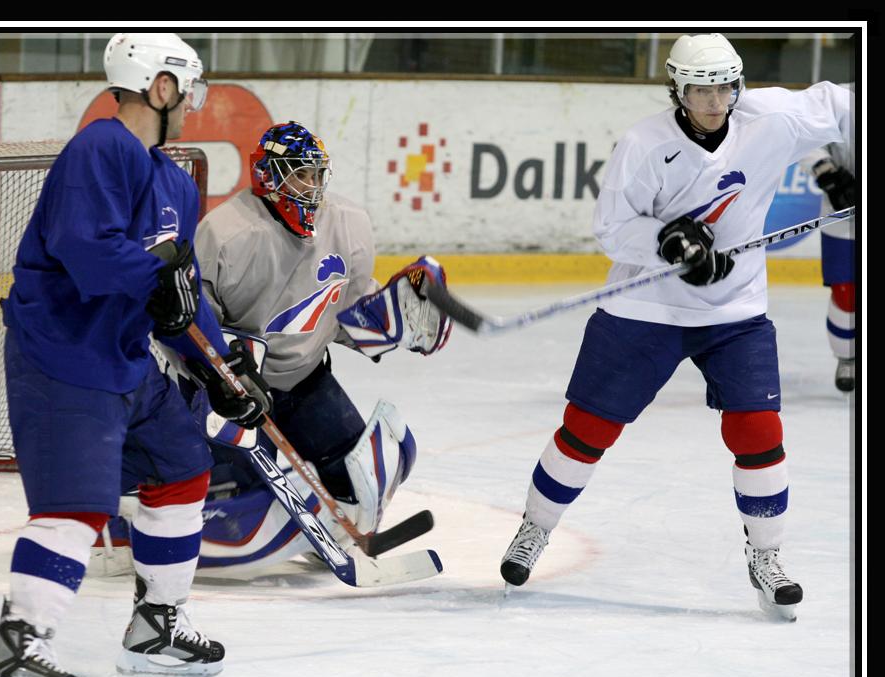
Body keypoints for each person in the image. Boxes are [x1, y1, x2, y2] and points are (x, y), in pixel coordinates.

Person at [499, 34, 852, 621]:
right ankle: (535, 528)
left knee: (759, 431)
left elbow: (844, 102)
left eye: (724, 88)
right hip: (646, 310)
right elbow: (611, 227)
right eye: (700, 89)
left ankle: (767, 557)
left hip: (734, 313)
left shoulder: (771, 119)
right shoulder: (644, 144)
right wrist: (669, 241)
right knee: (586, 429)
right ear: (677, 89)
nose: (715, 101)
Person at [0, 32, 270, 677]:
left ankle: (155, 626)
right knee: (75, 505)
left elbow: (181, 292)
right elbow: (87, 253)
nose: (194, 104)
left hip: (122, 359)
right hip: (62, 353)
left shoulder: (174, 181)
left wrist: (223, 368)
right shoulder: (99, 148)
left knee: (182, 461)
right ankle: (17, 648)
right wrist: (157, 274)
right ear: (160, 87)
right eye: (188, 89)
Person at [144, 121, 452, 575]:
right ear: (268, 175)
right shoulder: (225, 234)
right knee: (228, 496)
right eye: (299, 174)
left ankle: (318, 530)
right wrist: (224, 375)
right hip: (232, 395)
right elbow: (187, 320)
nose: (312, 187)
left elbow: (346, 315)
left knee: (360, 480)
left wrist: (400, 318)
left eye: (316, 175)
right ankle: (138, 522)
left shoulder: (348, 225)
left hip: (306, 380)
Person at [800, 139, 856, 392]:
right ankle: (848, 358)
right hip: (842, 211)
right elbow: (810, 136)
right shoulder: (837, 99)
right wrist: (827, 173)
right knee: (846, 293)